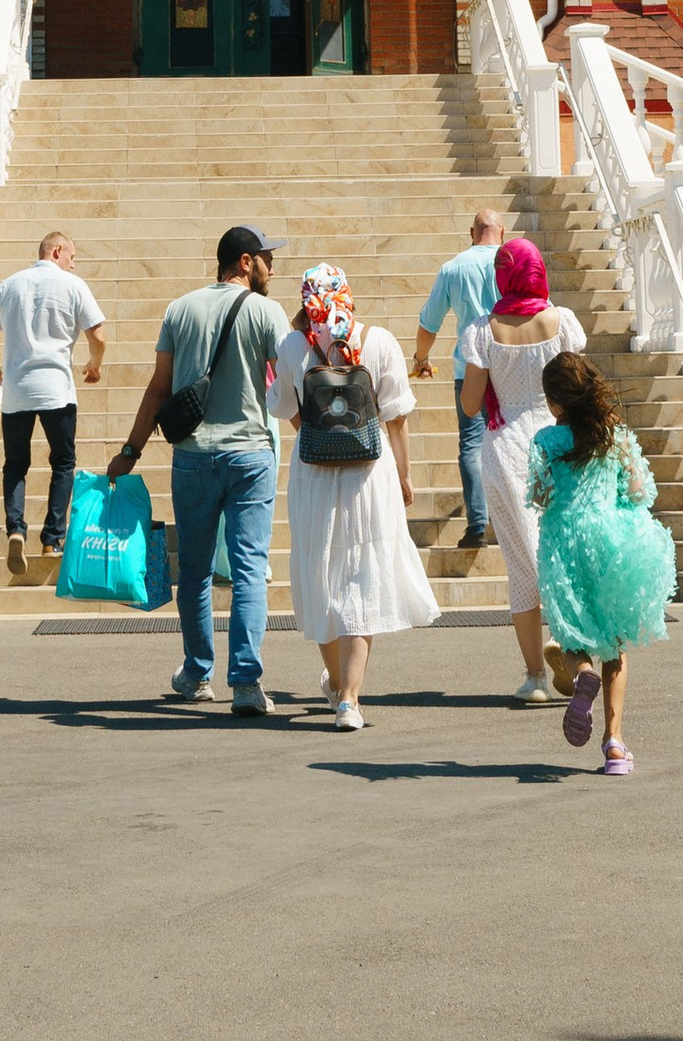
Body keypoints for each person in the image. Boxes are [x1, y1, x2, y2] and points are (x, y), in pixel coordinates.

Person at [109, 224, 288, 720]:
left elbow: (159, 387)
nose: (273, 267)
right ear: (245, 263)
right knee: (250, 569)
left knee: (195, 570)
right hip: (251, 454)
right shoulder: (266, 311)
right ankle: (247, 683)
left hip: (191, 455)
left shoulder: (180, 309)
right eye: (267, 258)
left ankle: (196, 673)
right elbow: (290, 376)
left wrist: (131, 449)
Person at [267, 263, 439, 730]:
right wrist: (403, 475)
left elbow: (287, 410)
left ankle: (338, 683)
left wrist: (321, 439)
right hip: (369, 476)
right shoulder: (378, 341)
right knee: (361, 579)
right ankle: (350, 699)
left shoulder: (290, 346)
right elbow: (396, 418)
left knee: (322, 575)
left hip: (314, 477)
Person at [528, 349, 675, 780]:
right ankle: (614, 744)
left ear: (555, 402)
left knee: (571, 632)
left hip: (566, 540)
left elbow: (539, 496)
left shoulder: (546, 441)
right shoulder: (615, 435)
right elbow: (637, 489)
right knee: (615, 641)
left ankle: (581, 673)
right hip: (612, 540)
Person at [457, 234, 587, 703]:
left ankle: (535, 677)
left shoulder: (482, 329)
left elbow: (471, 405)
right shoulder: (563, 322)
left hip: (506, 446)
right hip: (557, 443)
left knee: (521, 563)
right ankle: (574, 647)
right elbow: (578, 389)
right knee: (561, 549)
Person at [0, 228, 106, 572]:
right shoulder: (73, 286)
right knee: (63, 462)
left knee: (16, 464)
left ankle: (16, 530)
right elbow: (98, 336)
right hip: (56, 390)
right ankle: (52, 540)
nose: (73, 265)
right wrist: (94, 366)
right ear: (57, 251)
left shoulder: (10, 285)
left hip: (17, 390)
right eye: (72, 257)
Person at [412, 208, 505, 554]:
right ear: (502, 232)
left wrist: (421, 359)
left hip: (469, 366)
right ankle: (514, 515)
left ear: (472, 232)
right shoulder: (512, 262)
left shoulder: (453, 268)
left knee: (471, 442)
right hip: (510, 363)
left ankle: (477, 522)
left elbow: (429, 323)